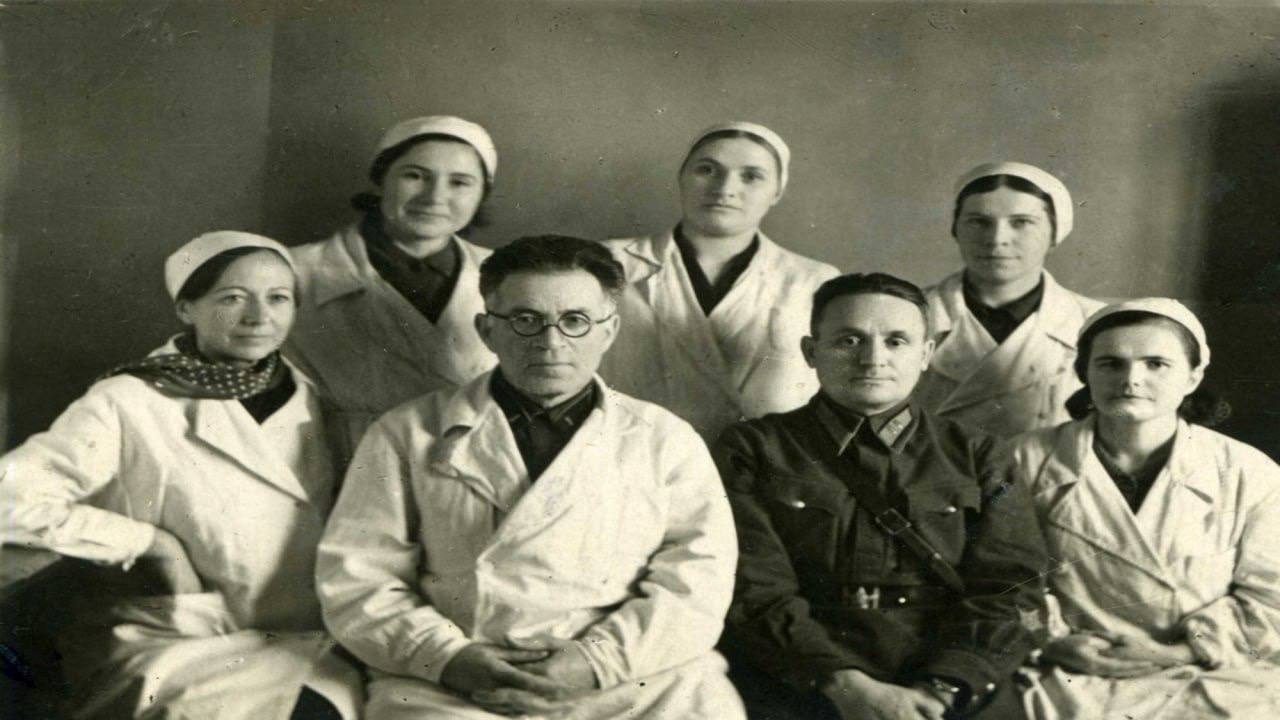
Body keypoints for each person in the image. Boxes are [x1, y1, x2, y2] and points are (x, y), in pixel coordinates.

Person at [316, 235, 744, 719]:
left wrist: (595, 662)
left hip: (633, 677)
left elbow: (698, 581)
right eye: (526, 320)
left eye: (576, 320)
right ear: (487, 330)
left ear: (609, 331)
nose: (551, 342)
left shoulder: (665, 439)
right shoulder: (406, 432)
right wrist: (449, 658)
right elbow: (358, 577)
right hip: (458, 679)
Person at [0, 232, 361, 719]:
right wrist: (151, 544)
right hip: (177, 639)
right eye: (232, 298)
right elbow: (10, 501)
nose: (259, 317)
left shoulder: (315, 399)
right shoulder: (130, 399)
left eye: (278, 298)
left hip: (304, 636)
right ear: (186, 308)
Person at [715, 272, 1046, 720]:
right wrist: (844, 685)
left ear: (926, 354)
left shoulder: (979, 454)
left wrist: (940, 690)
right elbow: (754, 589)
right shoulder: (753, 449)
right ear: (811, 352)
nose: (873, 359)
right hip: (801, 675)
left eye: (896, 341)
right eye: (849, 340)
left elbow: (1013, 588)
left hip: (952, 676)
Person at [1013, 298, 1280, 719]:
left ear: (1192, 377)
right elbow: (1000, 578)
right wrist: (1051, 641)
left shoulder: (1249, 471)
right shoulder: (1024, 459)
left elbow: (1271, 599)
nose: (1131, 380)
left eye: (1156, 364)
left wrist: (1178, 651)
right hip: (1067, 668)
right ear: (1084, 373)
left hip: (1208, 670)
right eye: (1110, 364)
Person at [600, 121, 839, 440]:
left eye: (751, 176)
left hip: (764, 461)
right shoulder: (610, 262)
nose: (724, 188)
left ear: (777, 191)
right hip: (639, 453)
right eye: (707, 170)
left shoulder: (813, 280)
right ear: (682, 177)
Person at [287, 115, 498, 455]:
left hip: (469, 466)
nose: (434, 197)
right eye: (415, 176)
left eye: (460, 182)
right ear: (380, 180)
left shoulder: (507, 276)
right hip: (341, 464)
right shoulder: (294, 272)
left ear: (480, 195)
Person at [915, 162, 1104, 438]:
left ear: (1055, 232)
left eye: (1021, 222)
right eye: (979, 222)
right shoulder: (908, 314)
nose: (997, 239)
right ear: (956, 229)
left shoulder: (1097, 322)